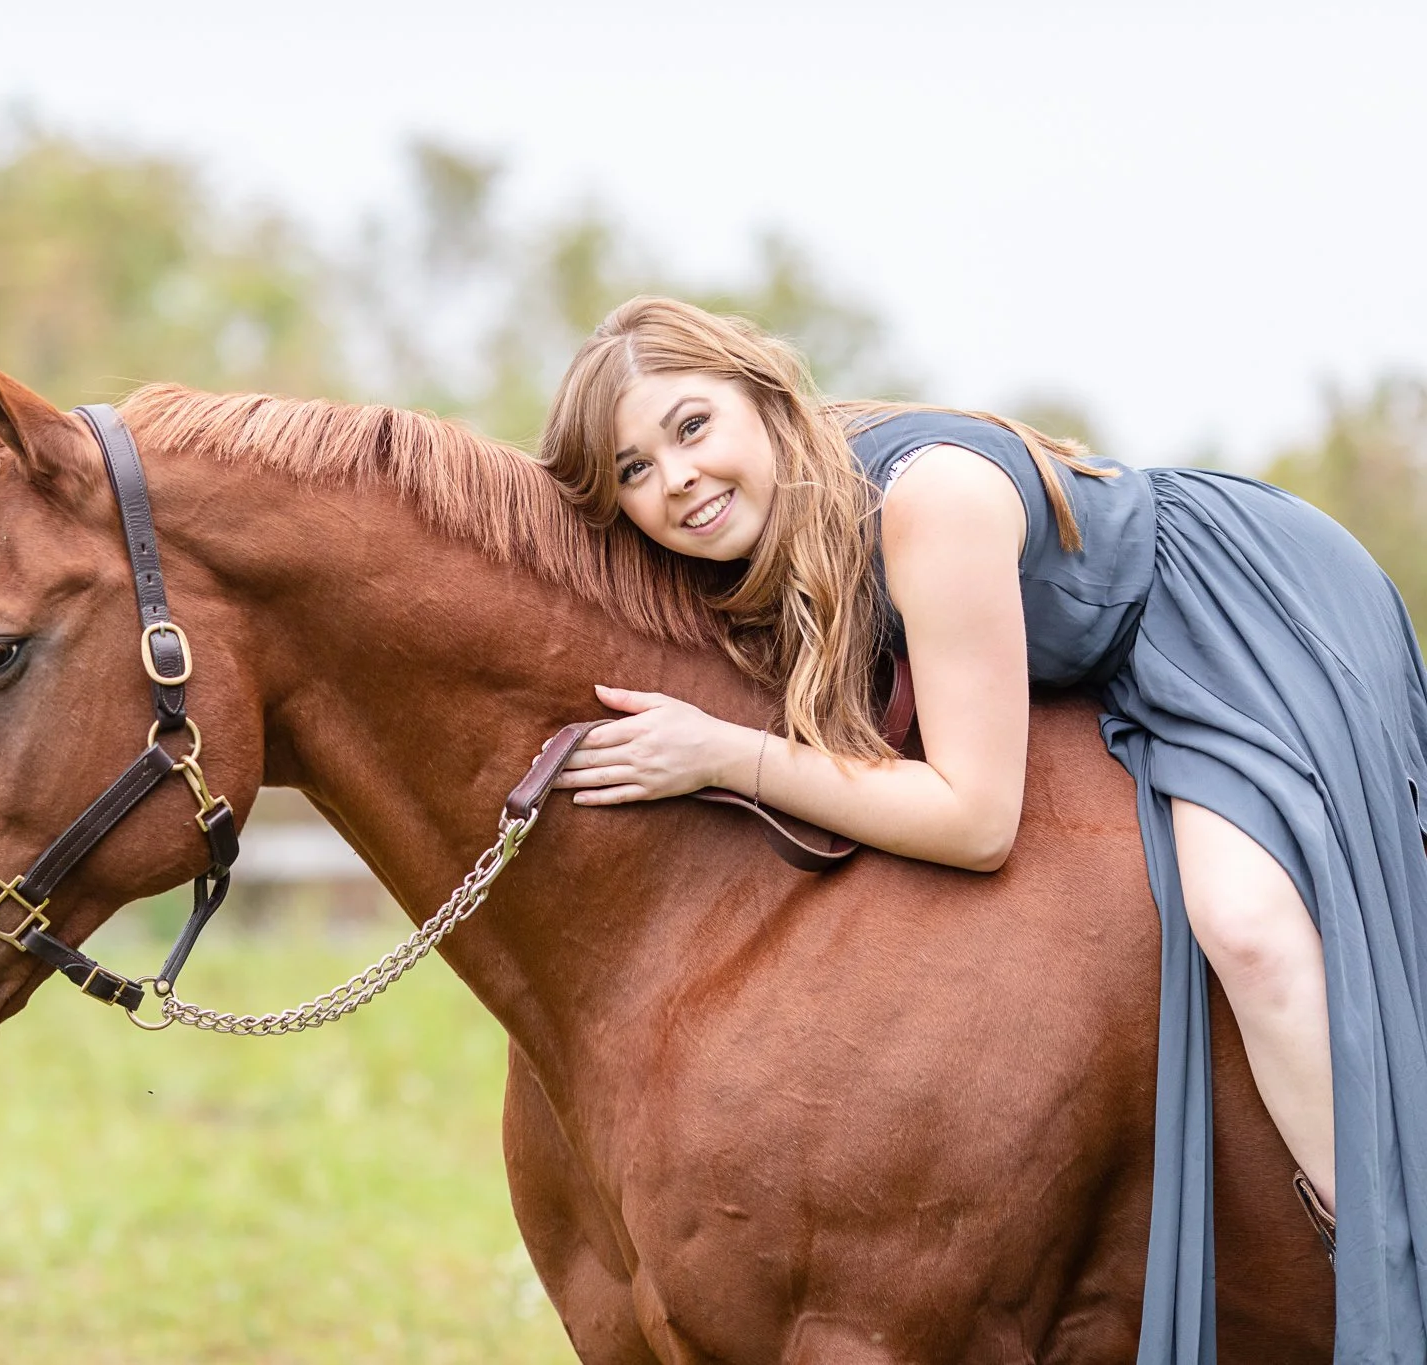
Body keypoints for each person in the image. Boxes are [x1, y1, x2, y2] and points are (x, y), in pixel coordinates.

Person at [538, 295, 1427, 1360]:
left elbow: (973, 821)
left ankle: (1384, 1268)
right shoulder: (767, 539)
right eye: (633, 470)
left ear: (764, 400)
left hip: (1245, 607)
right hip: (1124, 644)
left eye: (690, 427)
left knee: (1241, 923)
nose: (674, 476)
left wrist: (727, 756)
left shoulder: (926, 506)